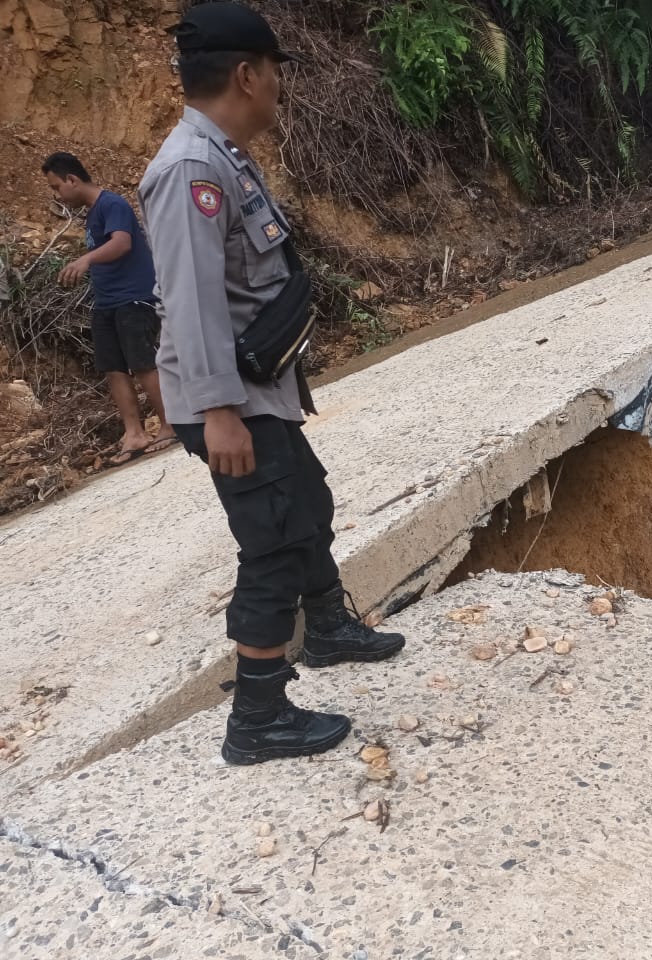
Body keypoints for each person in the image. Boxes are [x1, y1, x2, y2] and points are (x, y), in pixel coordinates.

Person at [139, 1, 405, 765]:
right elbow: (187, 302)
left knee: (307, 503)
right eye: (276, 76)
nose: (279, 91)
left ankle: (327, 628)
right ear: (248, 74)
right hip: (229, 401)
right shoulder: (192, 168)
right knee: (273, 545)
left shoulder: (222, 154)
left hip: (259, 391)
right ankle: (257, 716)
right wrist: (220, 410)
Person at [42, 153, 177, 465]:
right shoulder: (92, 214)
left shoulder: (111, 204)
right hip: (107, 303)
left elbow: (122, 243)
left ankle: (171, 424)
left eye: (56, 187)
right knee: (113, 367)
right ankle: (134, 432)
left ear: (72, 180)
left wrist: (86, 260)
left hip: (133, 297)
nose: (56, 195)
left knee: (143, 363)